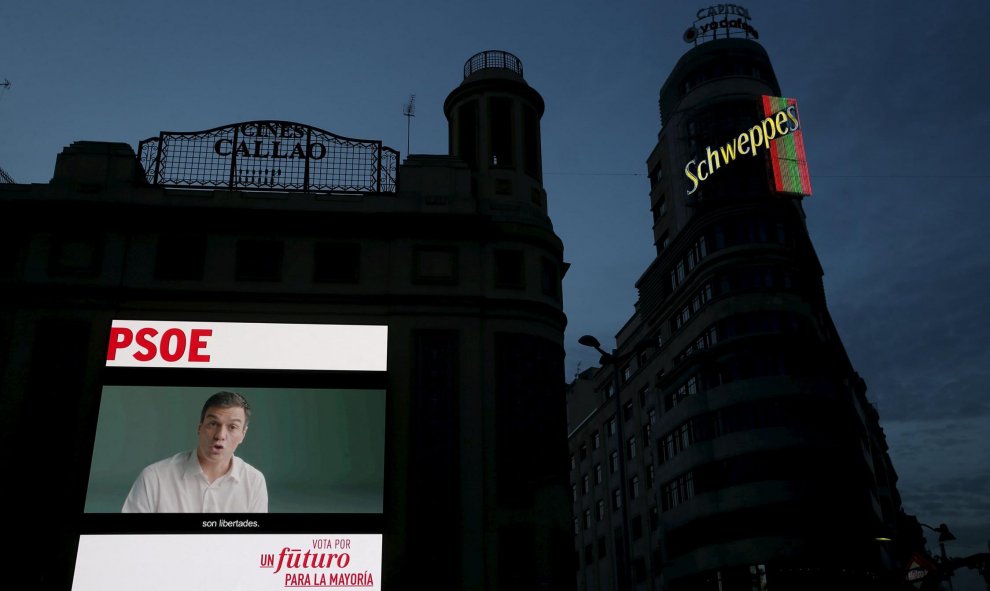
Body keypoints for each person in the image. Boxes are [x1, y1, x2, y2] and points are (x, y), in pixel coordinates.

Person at [122, 391, 268, 513]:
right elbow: (128, 539)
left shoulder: (254, 481)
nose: (220, 435)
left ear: (243, 434)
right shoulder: (154, 478)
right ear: (200, 427)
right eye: (213, 424)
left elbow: (253, 542)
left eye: (232, 427)